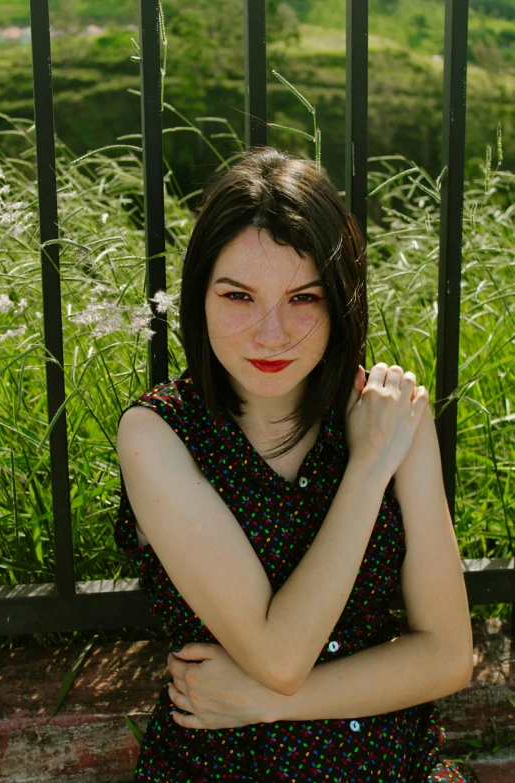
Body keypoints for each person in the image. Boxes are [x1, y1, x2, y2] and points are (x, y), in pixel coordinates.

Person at [114, 147, 474, 782]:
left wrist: (263, 704)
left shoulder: (390, 417)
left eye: (302, 298)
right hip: (227, 767)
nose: (272, 334)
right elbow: (279, 656)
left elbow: (448, 658)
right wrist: (367, 471)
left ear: (339, 300)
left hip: (390, 766)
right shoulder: (158, 434)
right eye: (239, 296)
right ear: (201, 296)